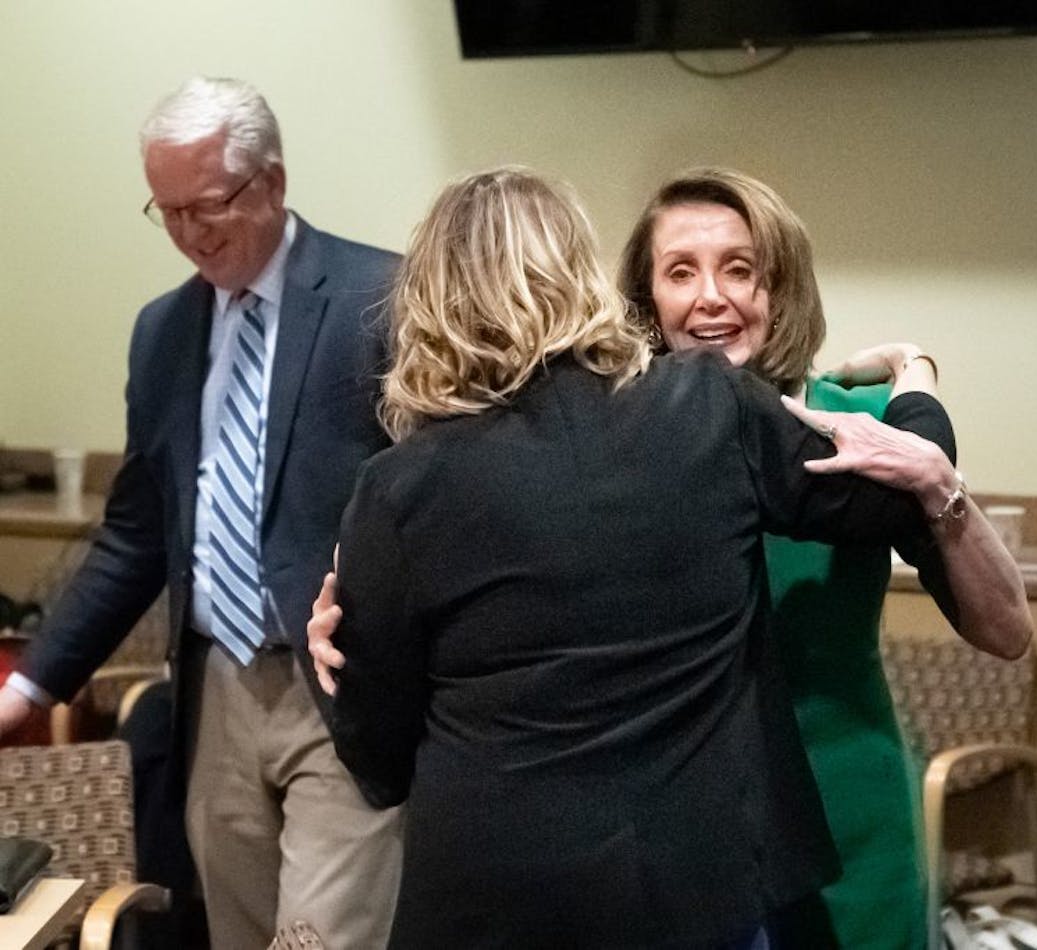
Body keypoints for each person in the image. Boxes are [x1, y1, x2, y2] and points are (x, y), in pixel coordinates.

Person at [322, 167, 971, 948]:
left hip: (495, 906)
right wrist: (915, 379)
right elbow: (911, 481)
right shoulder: (704, 407)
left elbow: (379, 766)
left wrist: (339, 665)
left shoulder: (396, 491)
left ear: (431, 303)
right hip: (700, 899)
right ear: (581, 276)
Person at [0, 77, 403, 948]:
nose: (189, 234)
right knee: (239, 933)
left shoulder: (383, 301)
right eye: (168, 211)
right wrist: (30, 684)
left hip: (341, 684)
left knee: (323, 937)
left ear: (272, 182)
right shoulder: (162, 333)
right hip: (216, 687)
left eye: (210, 205)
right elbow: (139, 534)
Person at [616, 167, 1032, 948]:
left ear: (783, 289)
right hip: (680, 834)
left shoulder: (857, 425)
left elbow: (1006, 630)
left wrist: (938, 480)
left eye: (740, 269)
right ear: (647, 304)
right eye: (681, 272)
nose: (712, 297)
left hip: (847, 812)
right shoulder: (616, 440)